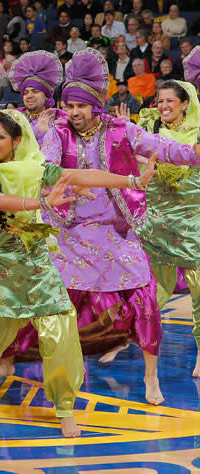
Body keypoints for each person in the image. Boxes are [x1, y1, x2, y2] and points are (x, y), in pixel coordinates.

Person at [0, 109, 158, 437]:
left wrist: (132, 181)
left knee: (60, 333)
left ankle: (64, 407)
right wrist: (42, 204)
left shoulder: (37, 169)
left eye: (0, 137)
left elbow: (82, 175)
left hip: (36, 265)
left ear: (17, 140)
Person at [0, 49, 200, 406]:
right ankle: (7, 360)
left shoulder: (121, 131)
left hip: (118, 235)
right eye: (69, 105)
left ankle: (151, 377)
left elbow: (162, 148)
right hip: (70, 236)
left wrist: (194, 152)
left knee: (146, 302)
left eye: (80, 106)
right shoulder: (58, 135)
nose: (73, 113)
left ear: (95, 105)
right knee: (46, 305)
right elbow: (48, 169)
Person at [137, 53, 200, 378]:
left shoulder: (197, 134)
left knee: (198, 289)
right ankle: (127, 337)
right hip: (156, 223)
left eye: (170, 100)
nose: (163, 105)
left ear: (185, 103)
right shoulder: (148, 132)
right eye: (159, 100)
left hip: (191, 225)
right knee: (151, 289)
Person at [8, 51, 65, 145]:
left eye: (35, 91)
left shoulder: (59, 118)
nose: (29, 95)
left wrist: (48, 134)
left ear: (46, 96)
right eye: (25, 93)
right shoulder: (14, 117)